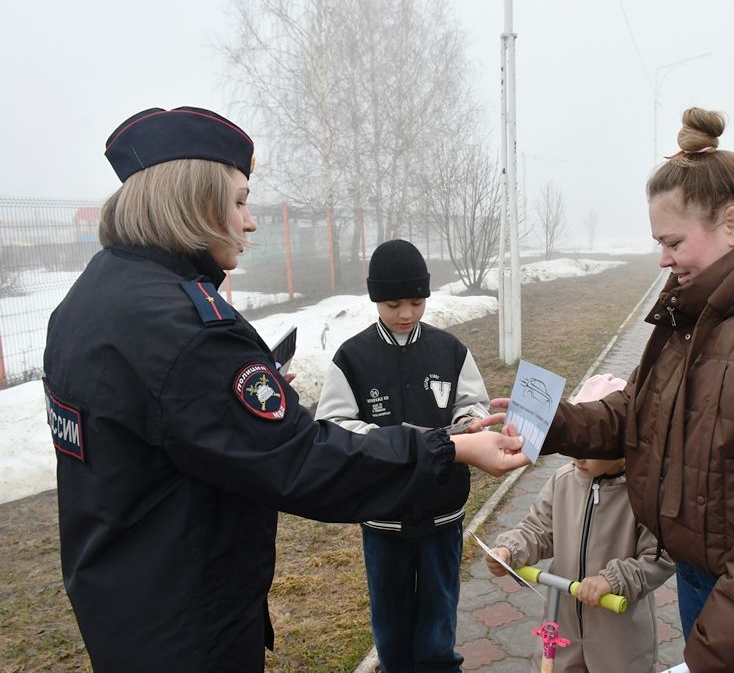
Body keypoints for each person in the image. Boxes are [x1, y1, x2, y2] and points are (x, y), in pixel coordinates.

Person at [42, 106, 527, 673]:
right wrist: (450, 448)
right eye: (240, 201)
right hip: (187, 627)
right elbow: (304, 460)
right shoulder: (189, 331)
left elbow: (163, 426)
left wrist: (241, 404)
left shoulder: (90, 299)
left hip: (123, 605)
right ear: (194, 202)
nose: (250, 222)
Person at [496, 107, 734, 673]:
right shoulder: (703, 309)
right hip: (711, 572)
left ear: (732, 224)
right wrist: (547, 423)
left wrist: (714, 649)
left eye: (673, 241)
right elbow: (639, 411)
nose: (663, 258)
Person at [314, 237, 490, 673]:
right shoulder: (352, 358)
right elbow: (333, 426)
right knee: (391, 624)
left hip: (443, 512)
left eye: (416, 301)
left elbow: (473, 404)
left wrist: (469, 422)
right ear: (376, 299)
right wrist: (388, 440)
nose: (406, 314)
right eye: (394, 304)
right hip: (383, 516)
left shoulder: (450, 350)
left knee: (438, 618)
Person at [485, 373, 675, 673]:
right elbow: (539, 529)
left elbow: (659, 556)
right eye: (575, 443)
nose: (578, 457)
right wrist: (511, 550)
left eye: (590, 446)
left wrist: (613, 580)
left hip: (618, 632)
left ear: (620, 440)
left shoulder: (643, 493)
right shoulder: (562, 481)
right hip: (563, 624)